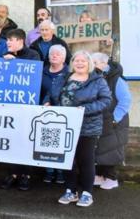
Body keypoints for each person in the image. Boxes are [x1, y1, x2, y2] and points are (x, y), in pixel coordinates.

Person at [47, 51, 111, 207]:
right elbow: (51, 94)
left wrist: (84, 109)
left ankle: (87, 193)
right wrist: (48, 102)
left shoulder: (97, 81)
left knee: (85, 160)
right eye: (76, 60)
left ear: (89, 63)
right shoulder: (64, 78)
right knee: (67, 160)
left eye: (83, 60)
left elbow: (106, 100)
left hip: (87, 127)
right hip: (64, 125)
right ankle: (71, 191)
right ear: (72, 63)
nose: (80, 63)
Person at [1, 29, 40, 191]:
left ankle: (26, 175)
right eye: (8, 40)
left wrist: (15, 62)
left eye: (11, 40)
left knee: (26, 140)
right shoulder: (4, 55)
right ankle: (13, 173)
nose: (8, 43)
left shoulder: (33, 54)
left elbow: (33, 74)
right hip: (10, 106)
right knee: (11, 140)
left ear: (21, 41)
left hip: (28, 107)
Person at [92, 53, 132, 190]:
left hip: (115, 120)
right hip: (100, 119)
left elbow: (125, 101)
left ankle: (111, 178)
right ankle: (99, 176)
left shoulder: (117, 79)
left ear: (104, 63)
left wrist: (115, 118)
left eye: (94, 62)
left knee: (111, 149)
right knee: (99, 148)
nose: (91, 64)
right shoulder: (96, 76)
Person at [40, 45, 70, 184]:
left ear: (64, 57)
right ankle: (49, 170)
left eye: (58, 54)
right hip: (44, 113)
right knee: (47, 141)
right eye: (52, 54)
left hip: (63, 114)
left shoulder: (69, 73)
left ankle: (60, 172)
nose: (54, 56)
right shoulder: (42, 71)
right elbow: (47, 92)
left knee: (61, 143)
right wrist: (45, 102)